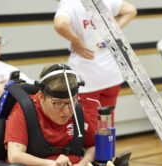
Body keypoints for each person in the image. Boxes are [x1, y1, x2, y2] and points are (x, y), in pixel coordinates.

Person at [53, 0, 136, 131]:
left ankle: (97, 151)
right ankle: (108, 151)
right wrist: (112, 31)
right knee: (107, 125)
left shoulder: (69, 4)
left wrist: (76, 41)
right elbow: (131, 10)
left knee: (91, 130)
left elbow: (60, 24)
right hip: (111, 74)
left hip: (87, 78)